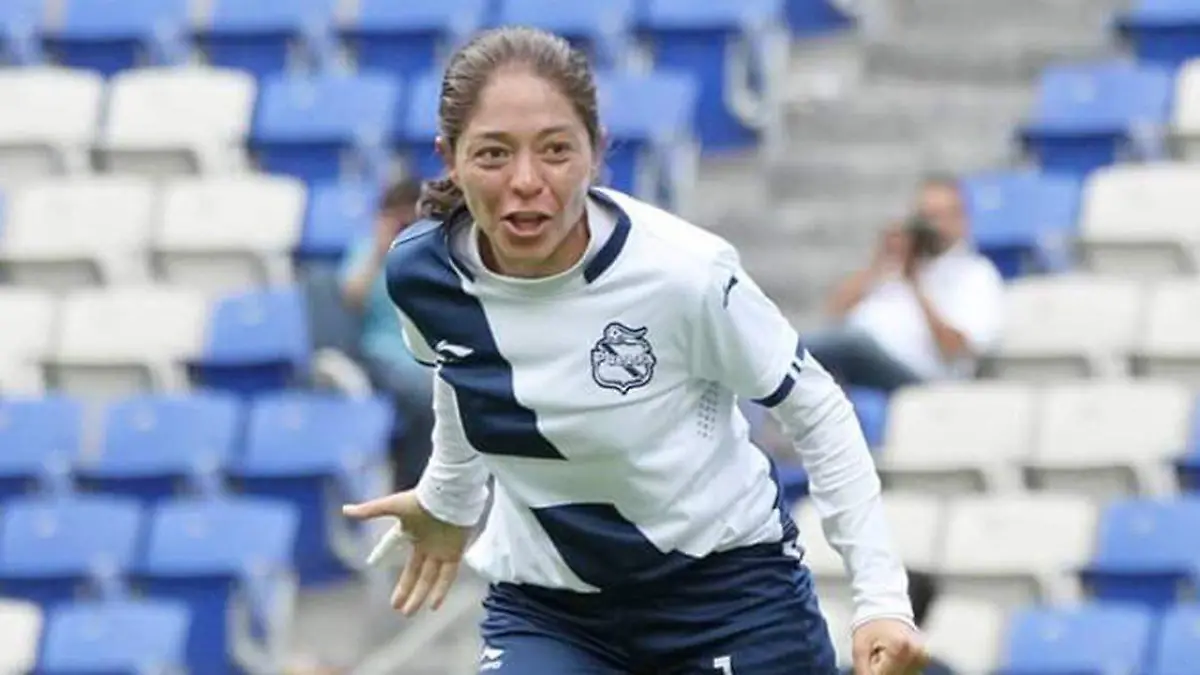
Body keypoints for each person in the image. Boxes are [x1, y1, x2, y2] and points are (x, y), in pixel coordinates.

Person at [342, 27, 928, 675]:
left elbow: (817, 408)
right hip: (551, 610)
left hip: (727, 595)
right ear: (449, 158)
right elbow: (462, 369)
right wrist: (450, 498)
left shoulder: (684, 273)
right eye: (493, 154)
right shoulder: (421, 273)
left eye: (556, 149)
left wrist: (880, 598)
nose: (526, 180)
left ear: (595, 152)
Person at [810, 177, 1005, 393]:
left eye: (939, 217)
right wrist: (880, 261)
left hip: (921, 379)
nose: (932, 227)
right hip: (860, 362)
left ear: (961, 220)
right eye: (925, 217)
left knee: (846, 345)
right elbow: (834, 312)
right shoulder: (896, 264)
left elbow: (957, 350)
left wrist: (916, 285)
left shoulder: (976, 273)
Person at [339, 178, 434, 491]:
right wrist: (380, 251)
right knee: (426, 396)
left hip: (434, 353)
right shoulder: (365, 250)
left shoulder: (435, 247)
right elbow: (352, 297)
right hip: (385, 354)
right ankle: (414, 487)